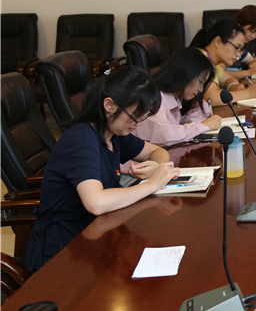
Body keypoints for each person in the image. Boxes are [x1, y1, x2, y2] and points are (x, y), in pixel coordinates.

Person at [25, 65, 180, 273]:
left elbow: (158, 152)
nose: (138, 124)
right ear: (109, 105)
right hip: (64, 248)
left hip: (98, 231)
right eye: (135, 117)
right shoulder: (82, 140)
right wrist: (152, 184)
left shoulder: (113, 133)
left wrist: (156, 166)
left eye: (143, 117)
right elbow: (96, 203)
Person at [134, 47, 223, 146]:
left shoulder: (177, 97)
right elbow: (165, 136)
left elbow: (202, 108)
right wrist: (202, 126)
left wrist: (187, 121)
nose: (201, 89)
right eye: (200, 82)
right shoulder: (155, 98)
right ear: (186, 74)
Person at [190, 19, 256, 105]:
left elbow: (228, 79)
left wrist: (234, 86)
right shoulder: (200, 60)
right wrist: (248, 93)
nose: (238, 54)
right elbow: (211, 98)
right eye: (236, 47)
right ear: (218, 41)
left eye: (240, 50)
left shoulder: (213, 64)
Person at [225, 5, 256, 81]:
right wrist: (248, 72)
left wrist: (253, 64)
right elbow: (220, 74)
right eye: (252, 31)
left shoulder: (240, 49)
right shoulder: (224, 46)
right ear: (239, 25)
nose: (253, 36)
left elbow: (255, 61)